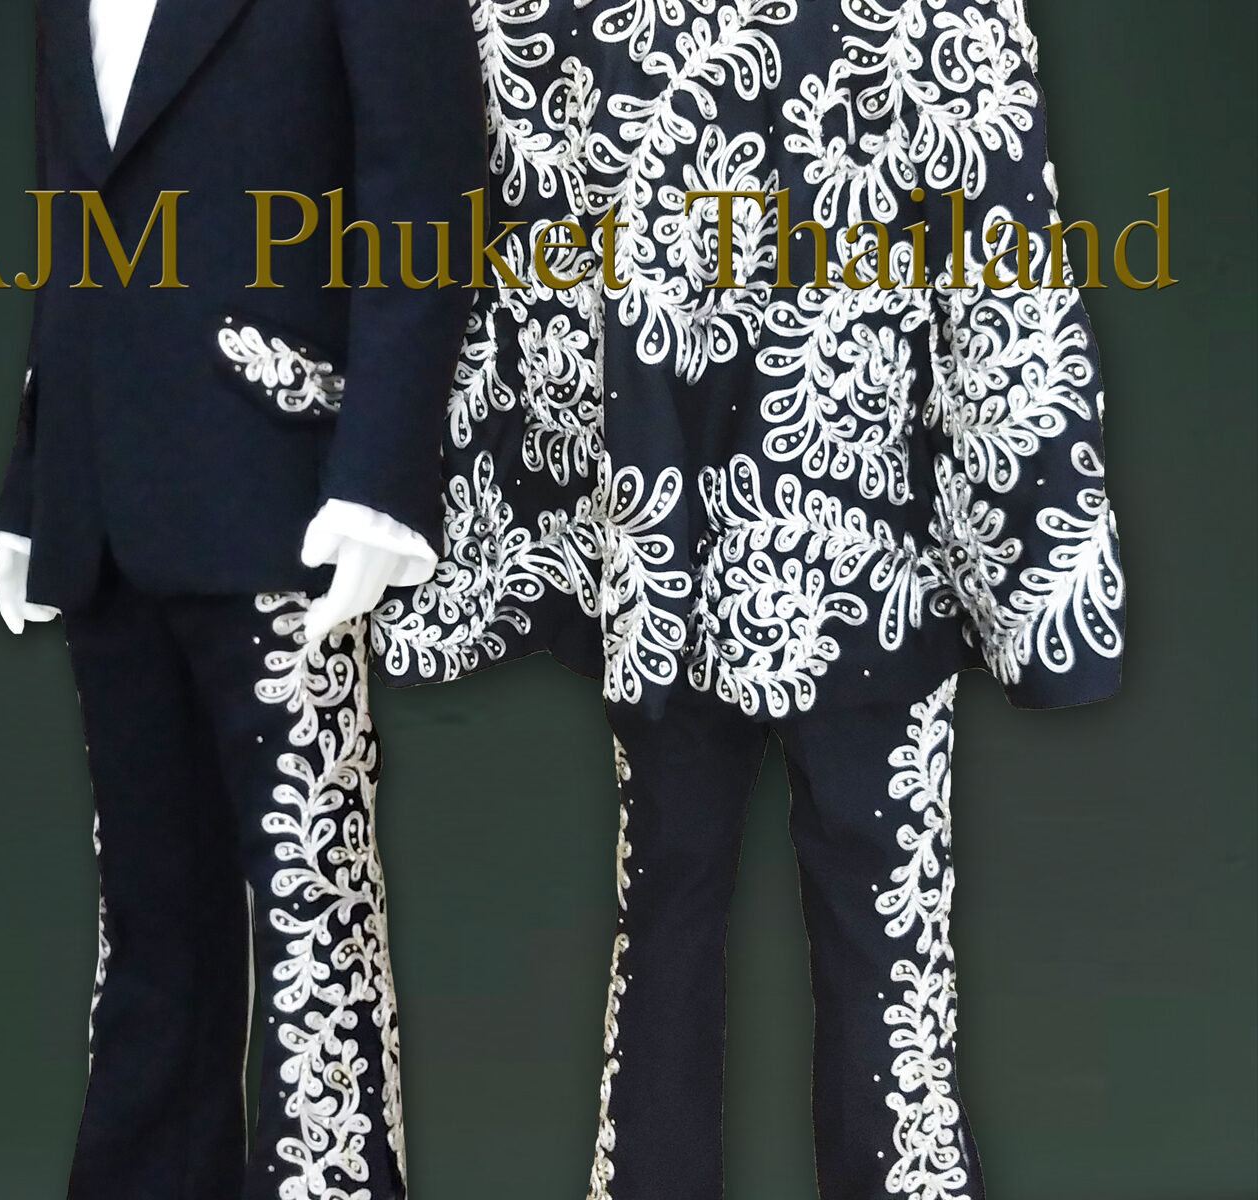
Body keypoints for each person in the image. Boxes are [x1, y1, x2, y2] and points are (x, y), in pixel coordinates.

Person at [373, 2, 1126, 1196]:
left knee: (712, 916)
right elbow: (1006, 290)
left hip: (736, 548)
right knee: (836, 933)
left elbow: (1005, 283)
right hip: (837, 545)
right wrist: (1043, 576)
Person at [0, 2, 485, 1197]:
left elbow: (427, 195)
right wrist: (34, 477)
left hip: (284, 494)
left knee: (313, 920)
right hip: (103, 501)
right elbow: (72, 209)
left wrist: (378, 480)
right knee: (152, 926)